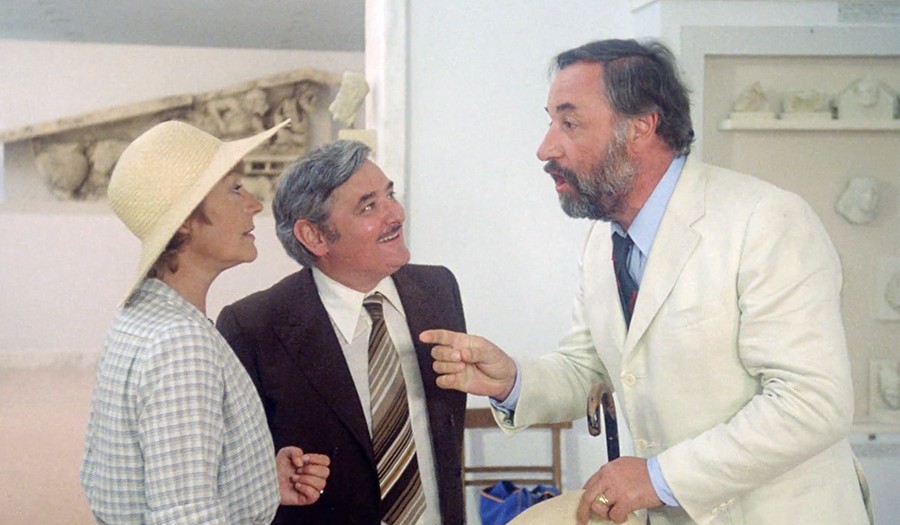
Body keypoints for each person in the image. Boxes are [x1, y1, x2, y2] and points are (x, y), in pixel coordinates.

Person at [424, 39, 871, 525]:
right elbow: (588, 366)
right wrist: (512, 380)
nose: (545, 148)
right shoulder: (602, 239)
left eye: (569, 124)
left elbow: (812, 402)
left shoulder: (765, 220)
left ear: (640, 127)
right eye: (551, 122)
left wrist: (657, 477)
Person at [80, 119, 331, 524]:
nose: (254, 204)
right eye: (235, 188)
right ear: (184, 219)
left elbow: (148, 476)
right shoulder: (180, 343)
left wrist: (257, 483)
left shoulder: (142, 317)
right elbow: (185, 515)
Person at [217, 139, 468, 525]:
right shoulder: (253, 327)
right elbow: (233, 471)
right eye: (369, 207)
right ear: (314, 236)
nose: (396, 214)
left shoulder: (438, 290)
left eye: (390, 195)